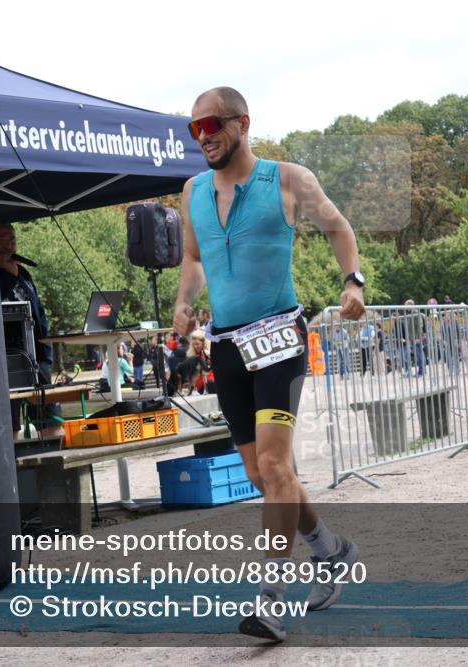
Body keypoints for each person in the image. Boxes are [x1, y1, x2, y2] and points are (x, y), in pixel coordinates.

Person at [175, 86, 363, 642]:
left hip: (279, 336)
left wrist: (353, 281)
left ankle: (270, 601)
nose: (204, 136)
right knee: (263, 475)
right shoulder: (192, 192)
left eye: (213, 125)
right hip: (228, 345)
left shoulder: (287, 179)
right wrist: (185, 302)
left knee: (277, 470)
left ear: (242, 123)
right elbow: (192, 255)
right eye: (195, 129)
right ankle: (331, 551)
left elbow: (339, 227)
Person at [0, 223, 63, 437]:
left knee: (52, 424)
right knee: (10, 429)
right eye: (2, 238)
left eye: (12, 238)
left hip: (37, 358)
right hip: (7, 361)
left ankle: (56, 467)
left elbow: (38, 313)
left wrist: (46, 353)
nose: (9, 244)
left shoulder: (23, 272)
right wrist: (7, 273)